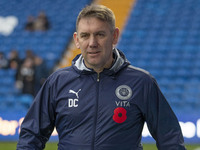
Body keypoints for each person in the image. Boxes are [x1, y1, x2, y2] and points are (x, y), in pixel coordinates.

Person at [17, 5, 186, 150]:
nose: (92, 43)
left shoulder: (142, 82)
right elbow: (31, 135)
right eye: (85, 36)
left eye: (100, 34)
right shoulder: (57, 81)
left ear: (114, 36)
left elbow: (169, 138)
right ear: (76, 40)